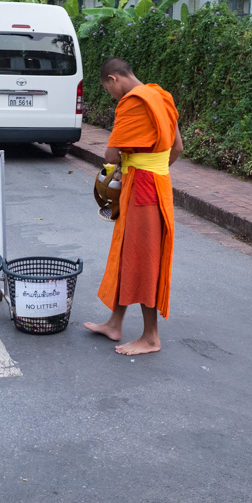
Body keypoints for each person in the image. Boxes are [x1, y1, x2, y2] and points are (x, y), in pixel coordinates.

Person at [83, 57, 183, 356]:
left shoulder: (133, 102)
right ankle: (115, 323)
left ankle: (151, 337)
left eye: (107, 89)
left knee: (144, 260)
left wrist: (140, 170)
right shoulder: (161, 96)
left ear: (113, 79)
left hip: (144, 190)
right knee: (129, 252)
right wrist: (153, 168)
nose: (111, 96)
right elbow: (177, 148)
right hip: (155, 183)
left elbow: (112, 154)